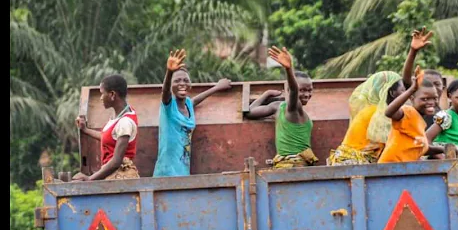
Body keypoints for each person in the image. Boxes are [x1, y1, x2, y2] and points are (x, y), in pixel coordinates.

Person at [153, 49, 232, 177]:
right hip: (166, 174)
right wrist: (169, 72)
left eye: (185, 80)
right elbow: (165, 92)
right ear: (171, 85)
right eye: (177, 81)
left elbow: (195, 100)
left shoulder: (188, 105)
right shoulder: (168, 106)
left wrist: (217, 87)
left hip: (183, 172)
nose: (182, 84)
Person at [249, 46, 318, 169]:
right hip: (294, 168)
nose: (307, 94)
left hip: (287, 167)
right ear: (287, 91)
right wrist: (288, 69)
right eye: (303, 90)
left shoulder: (278, 107)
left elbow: (250, 111)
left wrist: (266, 94)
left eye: (310, 90)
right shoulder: (293, 110)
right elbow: (248, 112)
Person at [73, 74, 139, 181]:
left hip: (120, 177)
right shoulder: (119, 116)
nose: (101, 98)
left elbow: (116, 161)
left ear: (112, 94)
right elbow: (107, 138)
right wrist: (85, 130)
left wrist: (90, 179)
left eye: (102, 93)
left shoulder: (125, 122)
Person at [328, 71, 401, 165]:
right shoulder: (379, 113)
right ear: (391, 93)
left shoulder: (370, 109)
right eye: (403, 90)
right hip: (355, 163)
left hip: (342, 161)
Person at [378, 67, 443, 163]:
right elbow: (389, 112)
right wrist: (411, 90)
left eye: (435, 98)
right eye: (425, 99)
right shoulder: (408, 112)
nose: (431, 102)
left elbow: (421, 148)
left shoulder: (420, 121)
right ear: (412, 98)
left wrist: (443, 149)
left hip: (404, 170)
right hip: (390, 170)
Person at [401, 27, 446, 129]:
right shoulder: (413, 110)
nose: (432, 87)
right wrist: (413, 51)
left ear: (443, 88)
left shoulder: (442, 115)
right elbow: (406, 79)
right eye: (427, 83)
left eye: (436, 84)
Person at [426, 78, 458, 163]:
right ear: (449, 97)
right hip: (439, 167)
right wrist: (445, 160)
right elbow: (426, 139)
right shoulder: (445, 116)